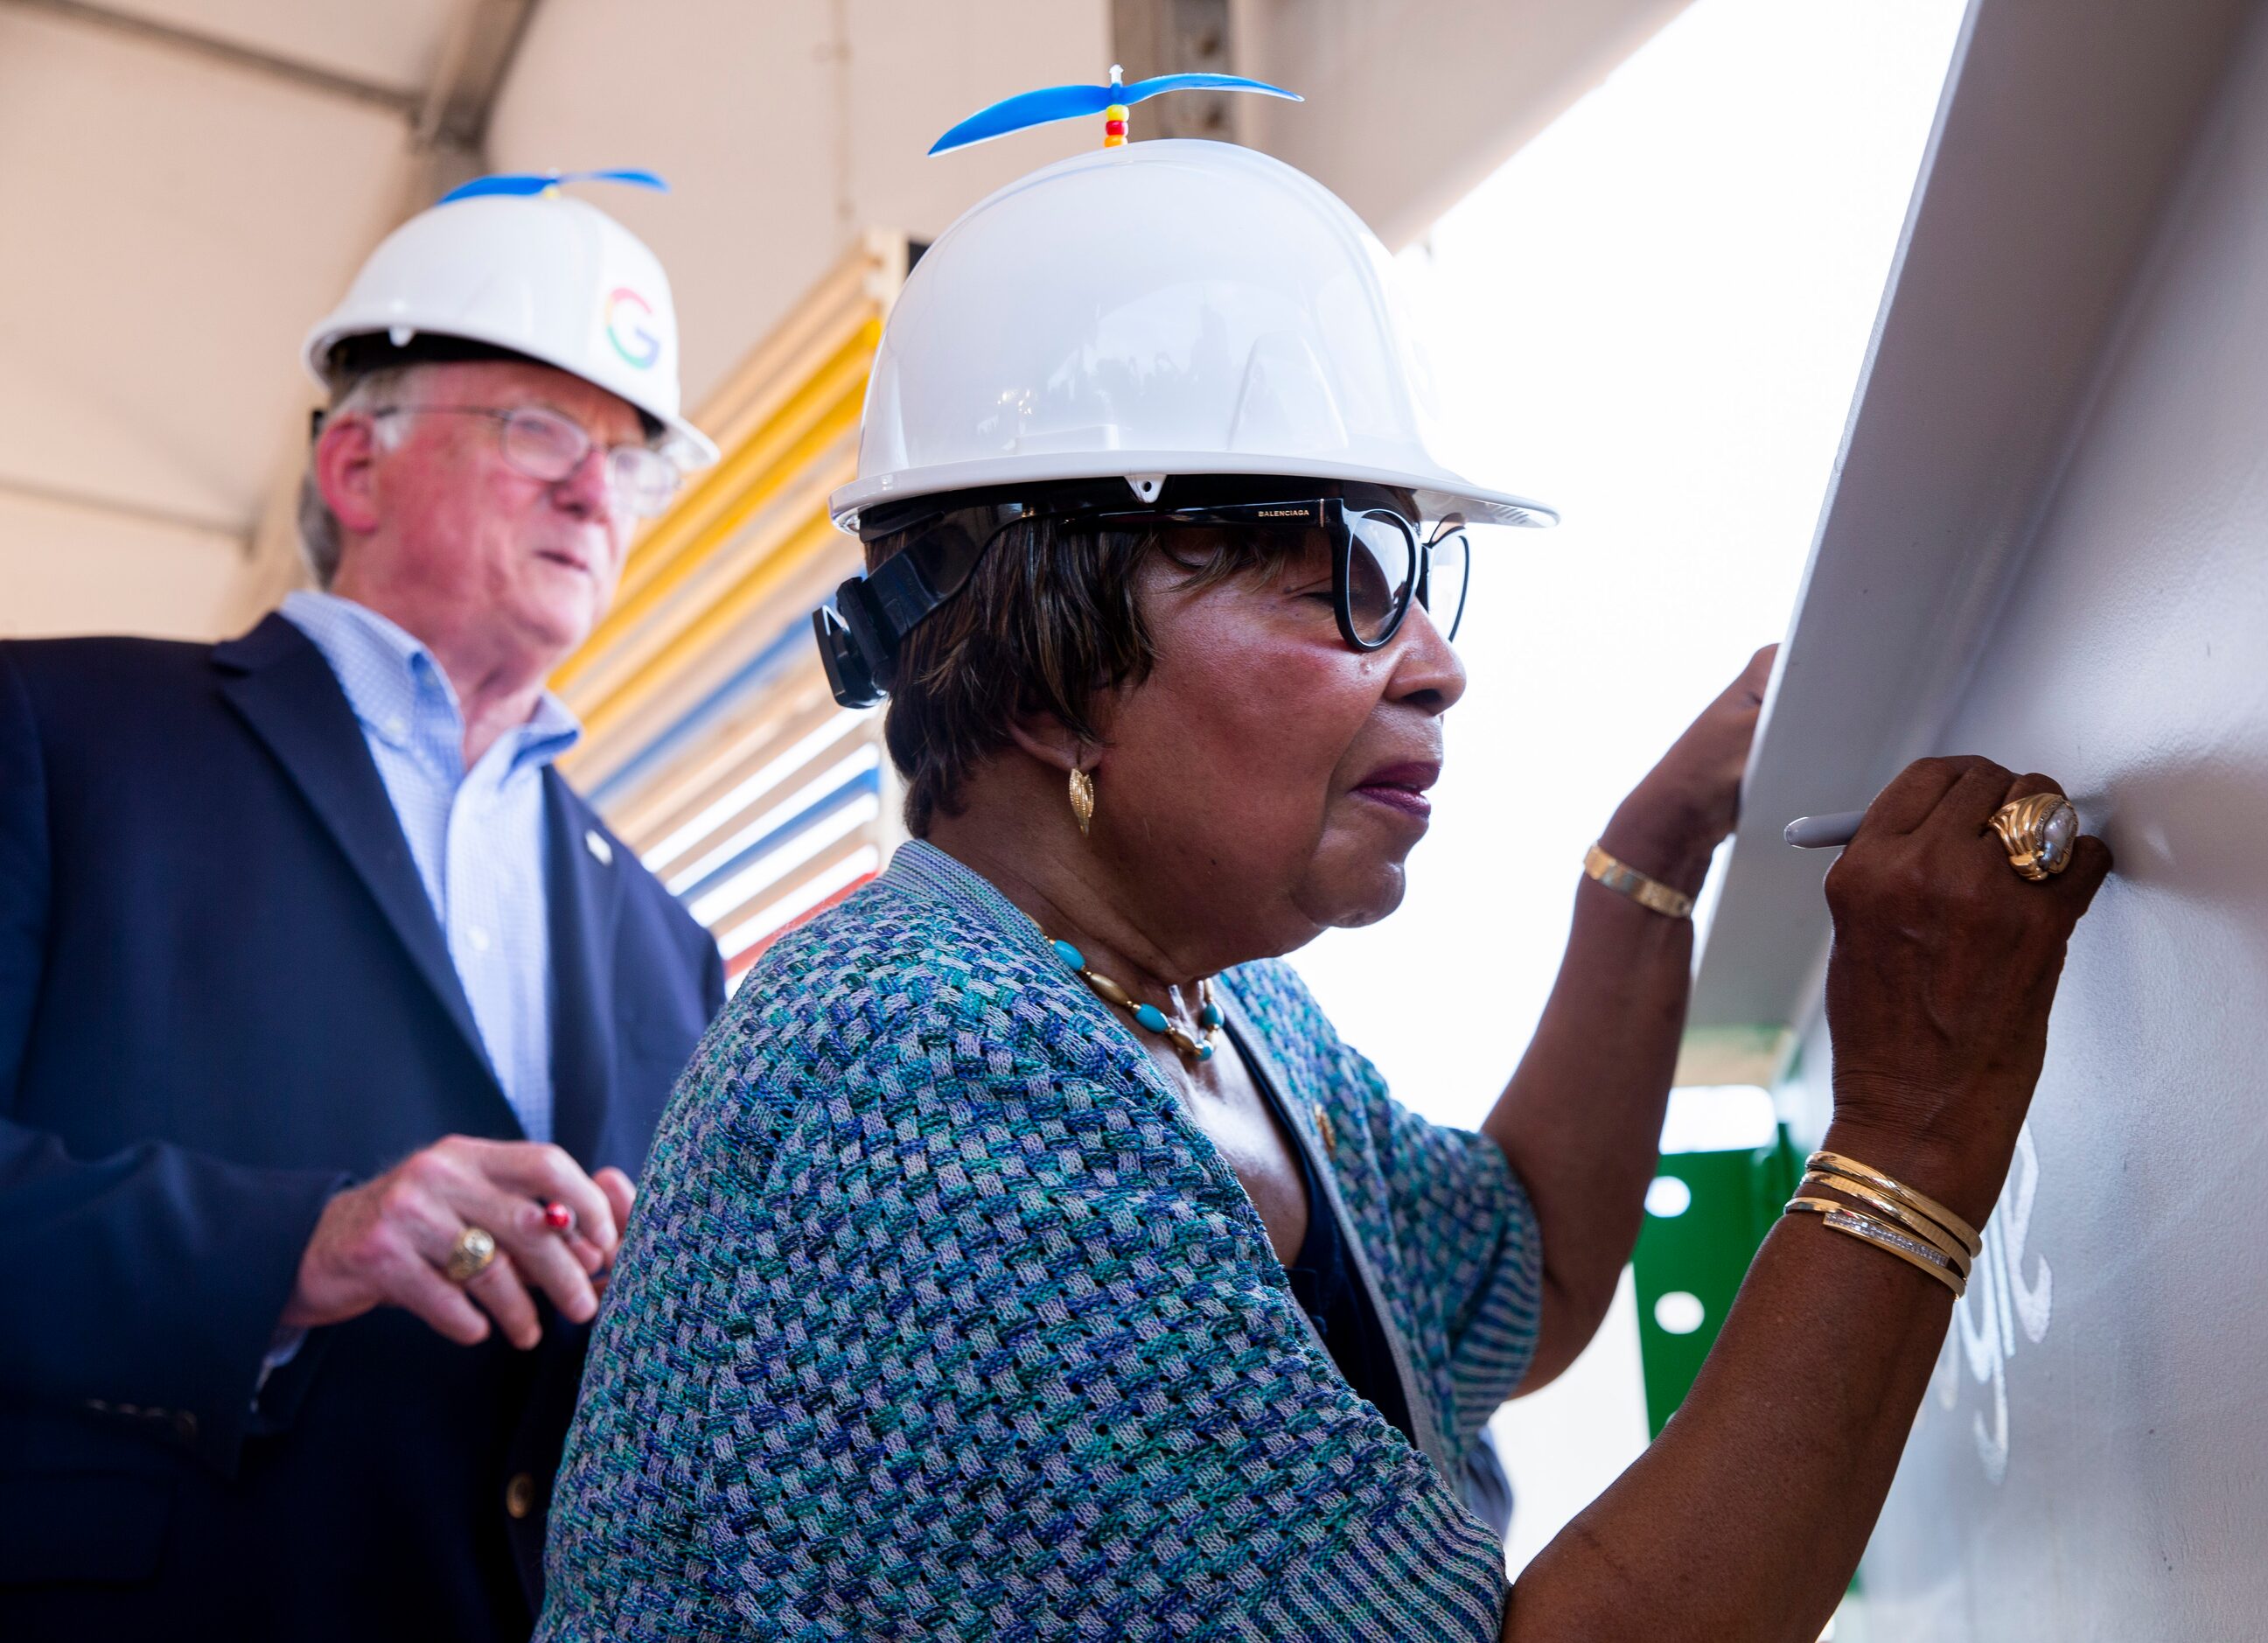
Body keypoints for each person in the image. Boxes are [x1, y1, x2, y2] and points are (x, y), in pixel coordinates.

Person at [541, 139, 2111, 1640]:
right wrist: (1917, 1126)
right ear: (1044, 676)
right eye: (1342, 573)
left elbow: (1526, 1277)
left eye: (1419, 574)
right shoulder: (920, 1081)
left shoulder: (1203, 1004)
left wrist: (1658, 846)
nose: (1435, 663)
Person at [0, 176, 726, 1638]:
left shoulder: (668, 936)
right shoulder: (54, 727)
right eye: (539, 431)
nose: (597, 491)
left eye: (629, 461)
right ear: (355, 467)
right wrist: (297, 1245)